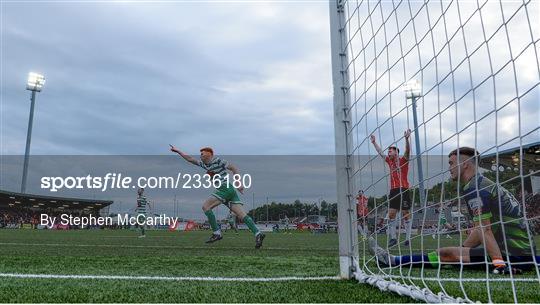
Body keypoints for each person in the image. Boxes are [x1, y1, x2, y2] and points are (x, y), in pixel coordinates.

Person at [370, 147, 539, 274]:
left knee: (447, 254)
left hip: (513, 253)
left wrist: (498, 263)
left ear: (465, 164)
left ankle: (394, 261)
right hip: (521, 249)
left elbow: (484, 229)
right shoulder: (480, 183)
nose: (449, 168)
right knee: (450, 252)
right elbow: (482, 229)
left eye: (451, 163)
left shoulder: (475, 187)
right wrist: (464, 248)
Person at [169, 145, 265, 249]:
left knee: (206, 207)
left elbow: (233, 168)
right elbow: (190, 159)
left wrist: (239, 183)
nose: (200, 156)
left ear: (209, 155)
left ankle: (217, 233)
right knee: (242, 215)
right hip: (229, 191)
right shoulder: (205, 165)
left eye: (202, 154)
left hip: (224, 188)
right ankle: (258, 233)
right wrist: (178, 151)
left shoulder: (218, 160)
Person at [370, 130, 413, 246]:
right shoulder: (389, 161)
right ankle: (393, 238)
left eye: (391, 150)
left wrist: (406, 139)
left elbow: (408, 151)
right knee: (391, 214)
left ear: (396, 152)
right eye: (388, 150)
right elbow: (380, 152)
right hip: (393, 191)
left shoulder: (403, 160)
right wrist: (374, 143)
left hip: (403, 189)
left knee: (405, 213)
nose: (388, 151)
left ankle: (408, 238)